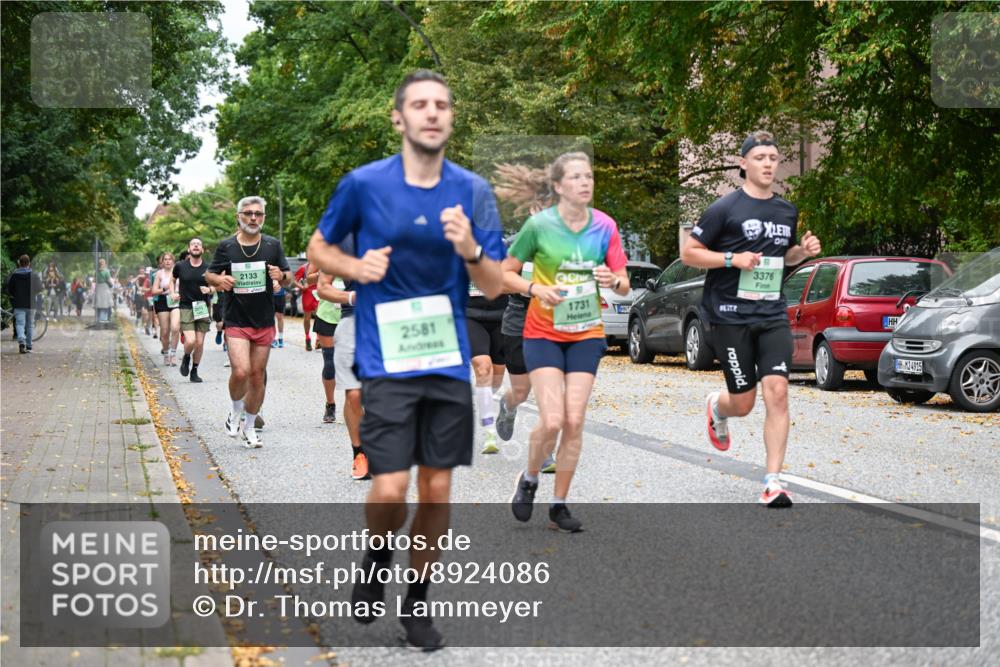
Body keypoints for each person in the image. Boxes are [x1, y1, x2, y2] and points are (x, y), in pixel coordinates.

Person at [306, 69, 505, 650]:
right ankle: (375, 559)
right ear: (399, 118)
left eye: (442, 104)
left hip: (444, 357)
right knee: (391, 488)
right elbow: (321, 248)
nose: (432, 112)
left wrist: (470, 249)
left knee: (437, 491)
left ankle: (417, 601)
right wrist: (354, 268)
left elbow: (493, 286)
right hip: (384, 354)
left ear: (450, 117)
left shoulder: (472, 192)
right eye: (419, 104)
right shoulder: (364, 185)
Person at [681, 131, 822, 508]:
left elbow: (784, 258)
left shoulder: (785, 211)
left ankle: (773, 481)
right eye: (759, 157)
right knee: (743, 403)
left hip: (772, 313)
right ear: (743, 163)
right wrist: (732, 259)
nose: (767, 164)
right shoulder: (723, 209)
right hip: (730, 315)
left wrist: (802, 252)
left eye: (773, 158)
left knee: (777, 392)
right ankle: (718, 406)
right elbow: (690, 253)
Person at [502, 151, 630, 534]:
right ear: (558, 187)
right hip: (542, 332)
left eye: (588, 176)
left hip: (586, 333)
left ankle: (558, 504)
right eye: (575, 177)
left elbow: (624, 281)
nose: (585, 183)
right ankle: (528, 478)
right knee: (553, 418)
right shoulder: (539, 227)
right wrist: (534, 287)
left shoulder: (605, 226)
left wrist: (614, 282)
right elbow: (504, 273)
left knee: (574, 419)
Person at [206, 196, 291, 449]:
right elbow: (209, 274)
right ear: (238, 216)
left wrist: (281, 276)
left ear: (263, 217)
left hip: (264, 320)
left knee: (257, 377)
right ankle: (235, 411)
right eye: (248, 213)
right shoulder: (227, 246)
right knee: (241, 371)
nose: (253, 218)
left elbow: (287, 277)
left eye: (258, 214)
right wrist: (218, 281)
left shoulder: (272, 245)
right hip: (237, 319)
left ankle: (250, 427)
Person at [174, 238, 213, 383]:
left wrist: (209, 289)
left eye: (199, 244)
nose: (196, 245)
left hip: (202, 307)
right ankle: (186, 357)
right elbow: (172, 280)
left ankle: (194, 371)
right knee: (190, 341)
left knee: (200, 343)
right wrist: (173, 292)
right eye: (193, 244)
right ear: (189, 249)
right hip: (186, 306)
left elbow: (216, 286)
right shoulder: (180, 266)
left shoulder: (208, 268)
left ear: (202, 250)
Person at [6, 254, 43, 353]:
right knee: (30, 325)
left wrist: (16, 295)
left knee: (19, 323)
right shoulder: (34, 275)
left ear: (19, 263)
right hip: (31, 304)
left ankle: (21, 342)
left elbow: (10, 289)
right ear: (29, 263)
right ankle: (29, 346)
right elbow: (40, 288)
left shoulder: (14, 275)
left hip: (18, 303)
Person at [151, 253, 181, 365]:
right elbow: (153, 291)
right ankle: (166, 353)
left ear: (173, 261)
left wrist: (179, 293)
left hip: (176, 300)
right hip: (163, 301)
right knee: (164, 331)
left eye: (170, 259)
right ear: (162, 262)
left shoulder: (178, 271)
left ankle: (173, 354)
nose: (168, 261)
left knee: (175, 327)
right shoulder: (159, 274)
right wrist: (165, 288)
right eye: (165, 260)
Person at [294, 261, 320, 350]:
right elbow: (294, 281)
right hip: (307, 294)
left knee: (320, 316)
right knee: (307, 318)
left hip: (318, 293)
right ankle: (307, 338)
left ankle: (318, 339)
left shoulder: (321, 266)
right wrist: (301, 287)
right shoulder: (304, 267)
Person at [94, 258, 115, 324]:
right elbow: (108, 280)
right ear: (104, 264)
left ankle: (98, 319)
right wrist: (111, 285)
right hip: (105, 288)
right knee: (105, 304)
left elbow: (95, 280)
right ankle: (103, 319)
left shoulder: (96, 271)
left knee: (99, 303)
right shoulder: (106, 271)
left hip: (98, 287)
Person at [271, 280, 286, 348]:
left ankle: (280, 338)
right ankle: (272, 339)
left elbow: (287, 279)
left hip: (280, 294)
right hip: (269, 294)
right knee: (270, 317)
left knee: (280, 316)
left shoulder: (281, 269)